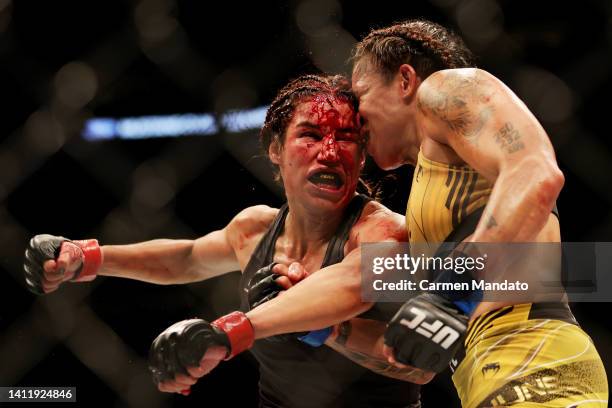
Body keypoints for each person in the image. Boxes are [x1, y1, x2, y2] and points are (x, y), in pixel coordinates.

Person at [23, 74, 424, 408]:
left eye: (348, 138)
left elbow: (411, 356)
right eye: (311, 134)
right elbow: (187, 258)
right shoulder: (256, 229)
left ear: (361, 156)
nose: (331, 152)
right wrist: (87, 256)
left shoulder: (382, 232)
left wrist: (327, 330)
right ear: (275, 149)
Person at [348, 19, 608, 407]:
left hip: (533, 362)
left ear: (404, 80)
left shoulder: (447, 88)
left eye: (361, 95)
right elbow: (421, 365)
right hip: (496, 375)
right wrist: (331, 331)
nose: (355, 117)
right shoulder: (431, 190)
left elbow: (536, 172)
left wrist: (455, 291)